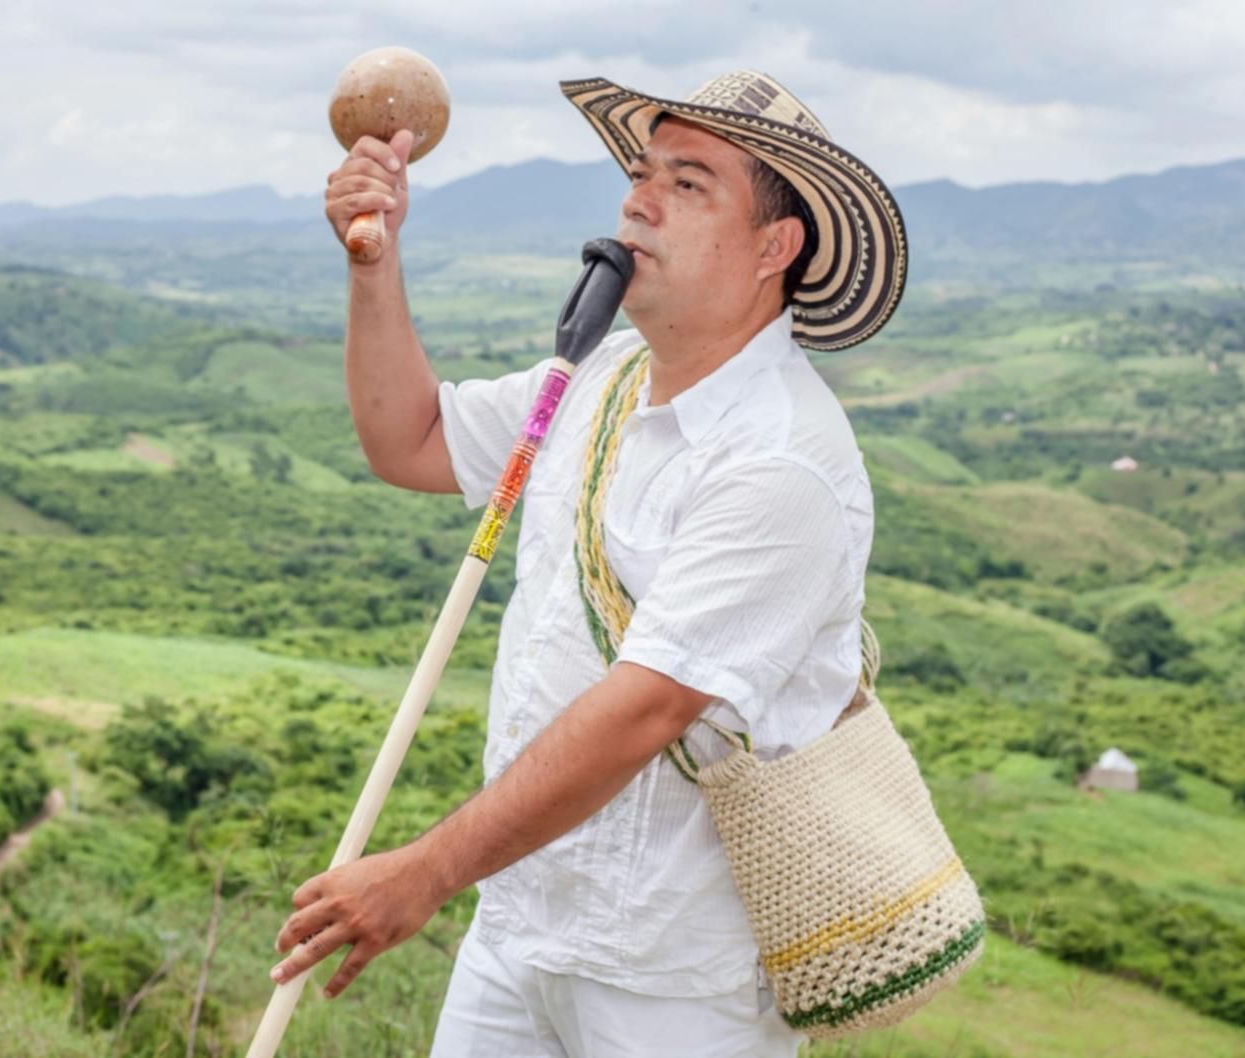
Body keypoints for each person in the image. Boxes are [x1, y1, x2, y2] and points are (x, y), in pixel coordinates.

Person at [270, 69, 908, 1057]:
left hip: (674, 977)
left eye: (689, 183)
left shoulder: (785, 464)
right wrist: (373, 264)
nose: (637, 199)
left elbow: (644, 708)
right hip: (520, 924)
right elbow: (413, 439)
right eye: (644, 171)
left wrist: (424, 870)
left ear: (773, 247)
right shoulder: (599, 376)